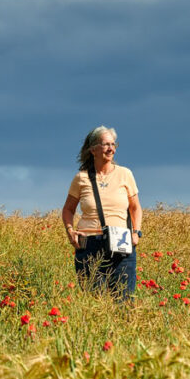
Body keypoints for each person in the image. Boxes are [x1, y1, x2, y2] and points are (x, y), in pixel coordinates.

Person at [62, 126, 143, 302]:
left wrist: (136, 233)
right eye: (106, 144)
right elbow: (68, 209)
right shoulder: (81, 178)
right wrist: (70, 231)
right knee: (94, 302)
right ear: (93, 150)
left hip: (121, 242)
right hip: (89, 244)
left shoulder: (125, 174)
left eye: (113, 144)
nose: (111, 148)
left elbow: (135, 207)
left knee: (123, 301)